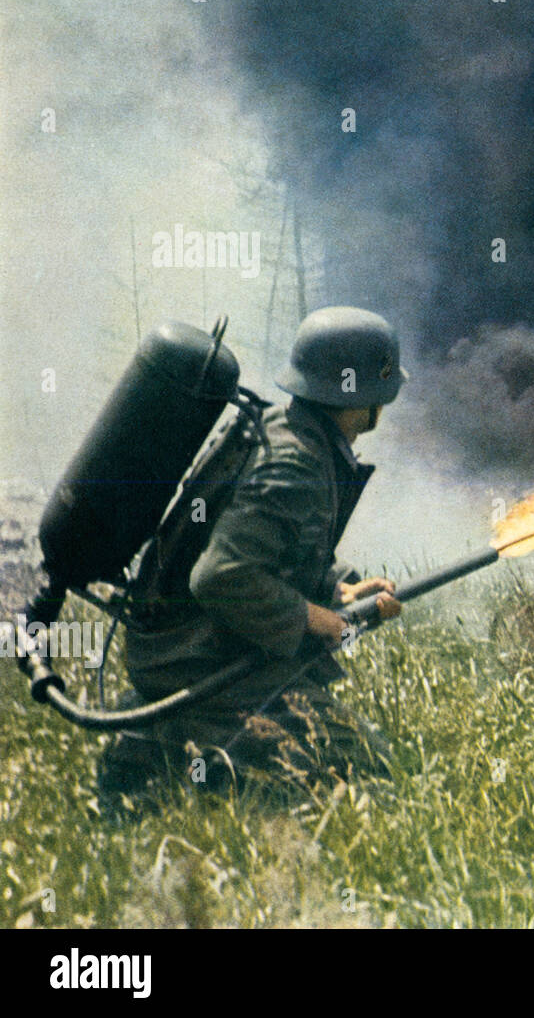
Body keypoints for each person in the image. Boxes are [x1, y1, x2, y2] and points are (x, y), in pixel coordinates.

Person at [97, 307, 406, 806]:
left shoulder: (288, 429)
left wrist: (339, 589)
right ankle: (186, 757)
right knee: (369, 769)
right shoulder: (296, 463)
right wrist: (320, 619)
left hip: (179, 640)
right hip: (195, 657)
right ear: (362, 397)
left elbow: (279, 551)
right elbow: (221, 576)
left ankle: (156, 750)